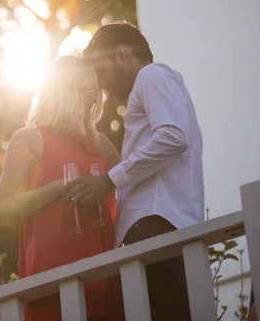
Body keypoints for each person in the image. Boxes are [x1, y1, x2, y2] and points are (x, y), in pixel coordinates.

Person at [65, 21, 204, 321]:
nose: (100, 85)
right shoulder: (153, 85)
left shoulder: (152, 75)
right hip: (162, 226)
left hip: (155, 225)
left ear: (122, 52)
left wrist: (108, 181)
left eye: (100, 71)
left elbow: (173, 137)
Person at [0, 55, 125, 321]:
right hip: (53, 282)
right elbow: (1, 210)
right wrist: (58, 188)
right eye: (86, 90)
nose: (94, 98)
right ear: (63, 91)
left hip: (107, 277)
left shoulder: (101, 145)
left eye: (95, 90)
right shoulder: (30, 139)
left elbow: (132, 192)